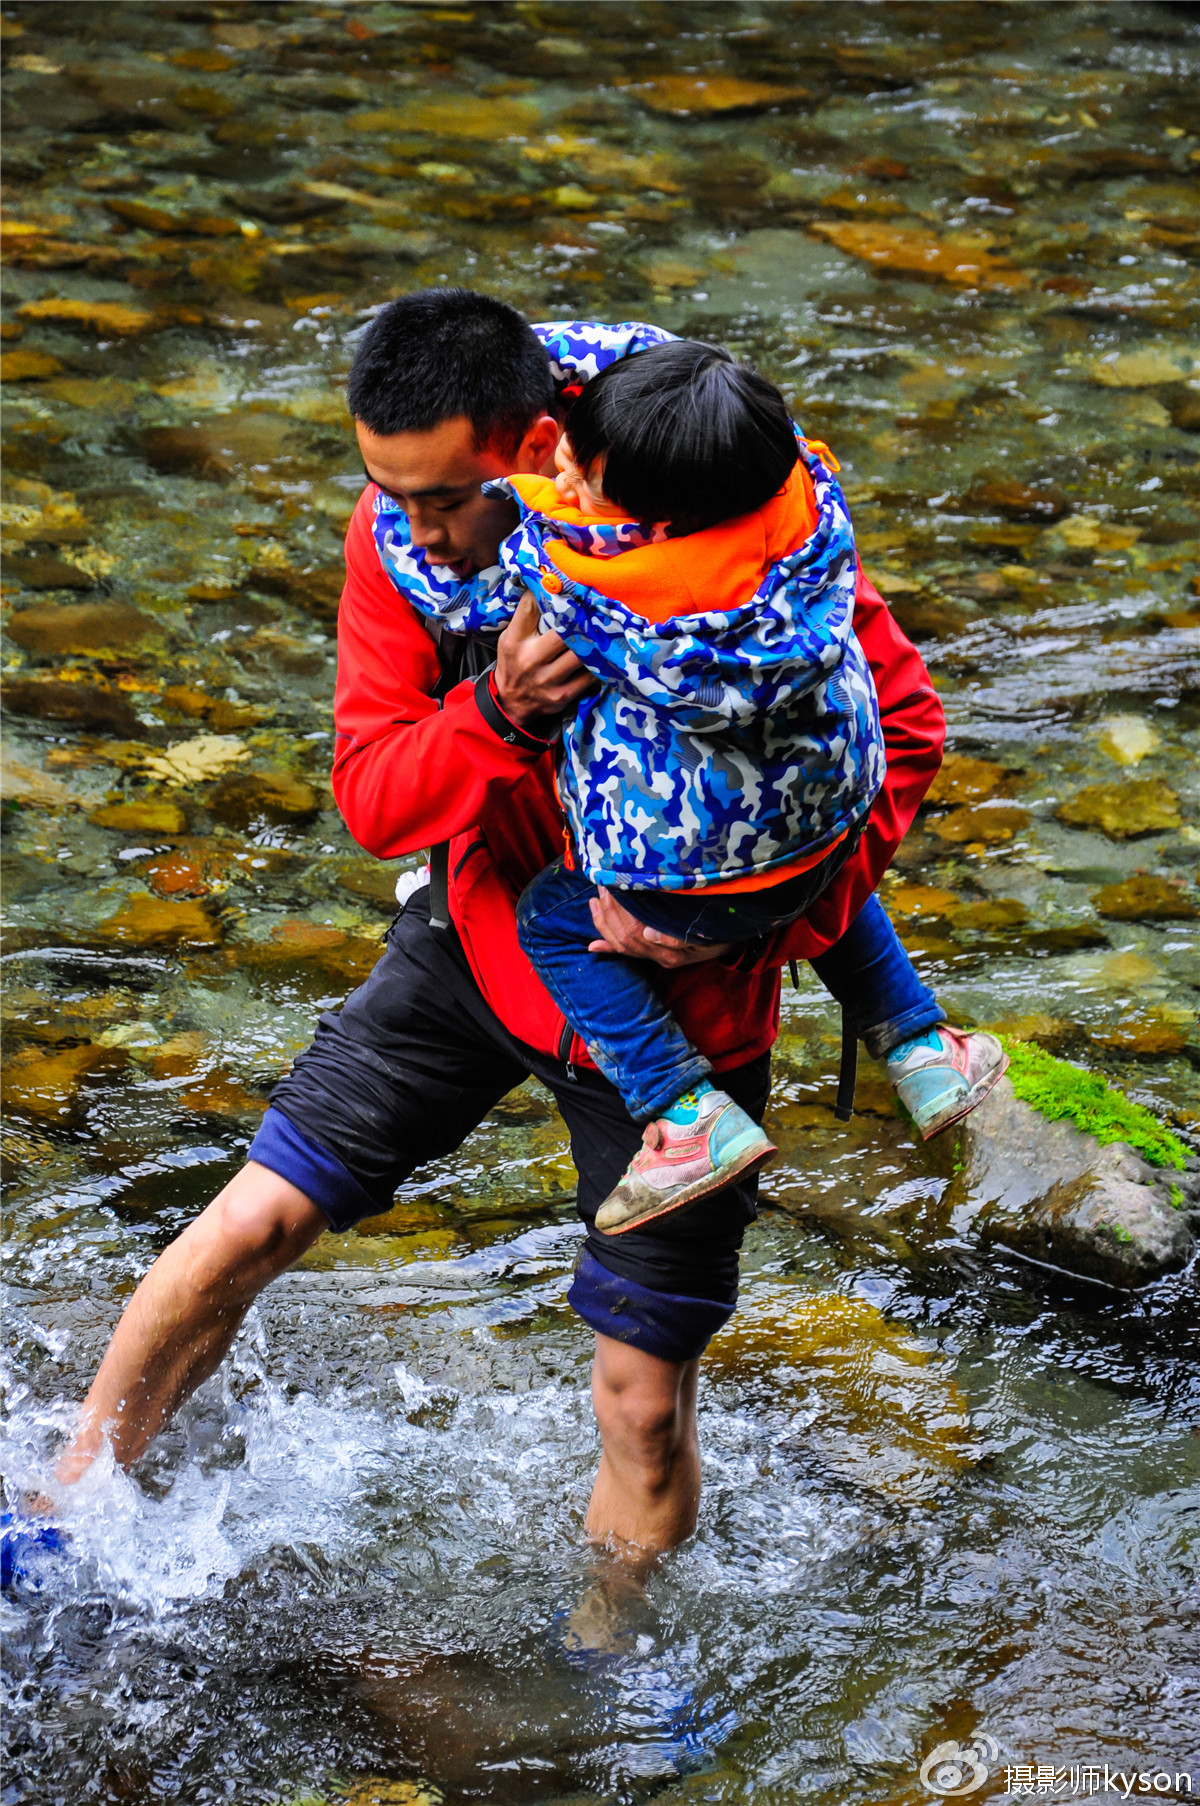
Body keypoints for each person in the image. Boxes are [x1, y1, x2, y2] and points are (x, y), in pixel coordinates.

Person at [36, 290, 1003, 1567]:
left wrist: (758, 927)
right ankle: (59, 1515)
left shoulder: (731, 531)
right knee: (243, 1229)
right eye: (390, 492)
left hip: (683, 1017)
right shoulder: (401, 546)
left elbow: (903, 732)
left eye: (447, 498)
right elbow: (374, 800)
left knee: (641, 1408)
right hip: (481, 937)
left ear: (543, 452)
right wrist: (496, 710)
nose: (416, 528)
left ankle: (608, 1659)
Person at [396, 336, 889, 1237]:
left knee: (551, 916)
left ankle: (682, 1112)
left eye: (583, 481)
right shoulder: (807, 514)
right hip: (830, 829)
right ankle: (921, 1040)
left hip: (680, 887)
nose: (563, 483)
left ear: (653, 528)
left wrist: (406, 514)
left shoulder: (594, 587)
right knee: (812, 856)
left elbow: (449, 589)